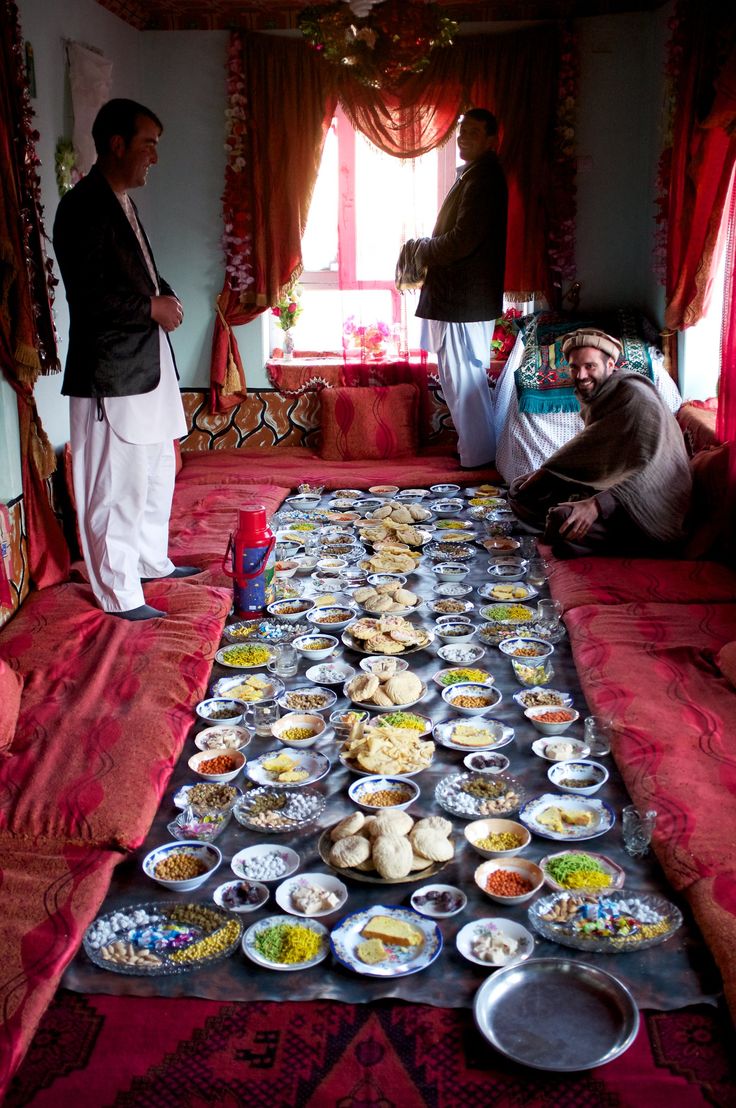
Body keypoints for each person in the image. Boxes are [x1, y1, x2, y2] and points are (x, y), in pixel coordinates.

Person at [53, 98, 199, 620]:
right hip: (111, 371)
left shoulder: (120, 201)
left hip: (146, 363)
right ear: (117, 145)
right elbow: (89, 297)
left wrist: (165, 295)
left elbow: (137, 275)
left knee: (156, 469)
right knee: (115, 484)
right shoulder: (82, 206)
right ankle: (119, 595)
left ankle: (148, 562)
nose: (154, 157)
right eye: (148, 144)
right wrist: (150, 306)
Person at [508, 328, 692, 556]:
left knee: (562, 520)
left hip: (650, 503)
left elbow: (653, 469)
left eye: (590, 366)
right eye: (574, 367)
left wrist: (596, 505)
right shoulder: (600, 394)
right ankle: (569, 529)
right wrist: (548, 473)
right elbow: (592, 448)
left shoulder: (635, 396)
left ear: (610, 366)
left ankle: (581, 533)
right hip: (611, 486)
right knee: (521, 489)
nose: (581, 375)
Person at [411, 108, 507, 468]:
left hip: (462, 300)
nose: (464, 137)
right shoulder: (477, 174)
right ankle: (476, 452)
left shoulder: (484, 178)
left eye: (475, 132)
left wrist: (422, 249)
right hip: (462, 299)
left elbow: (463, 240)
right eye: (462, 131)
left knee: (463, 379)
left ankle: (478, 458)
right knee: (461, 379)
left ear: (492, 140)